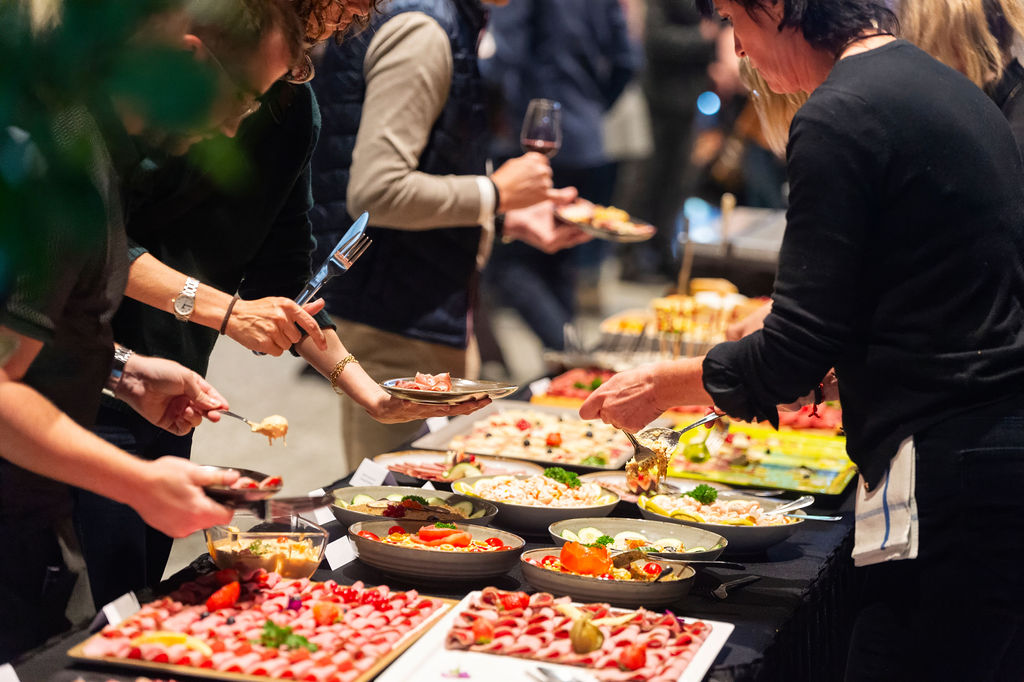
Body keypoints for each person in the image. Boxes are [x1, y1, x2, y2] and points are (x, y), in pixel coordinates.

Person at [580, 0, 1024, 678]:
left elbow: (794, 347)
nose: (740, 49)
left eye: (738, 20)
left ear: (782, 8)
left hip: (947, 474)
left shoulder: (839, 113)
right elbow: (915, 303)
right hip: (990, 458)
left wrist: (661, 386)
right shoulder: (943, 87)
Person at [76, 0, 493, 610]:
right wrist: (221, 310)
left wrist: (369, 392)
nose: (332, 28)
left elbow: (290, 277)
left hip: (167, 393)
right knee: (70, 616)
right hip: (74, 373)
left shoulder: (292, 111)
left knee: (129, 604)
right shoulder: (122, 88)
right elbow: (94, 243)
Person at [0, 0, 308, 659]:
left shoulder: (98, 147)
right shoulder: (56, 153)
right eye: (247, 99)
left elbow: (30, 327)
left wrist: (121, 370)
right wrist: (139, 484)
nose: (233, 128)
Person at [310, 0, 586, 469]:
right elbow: (376, 193)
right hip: (397, 317)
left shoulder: (448, 20)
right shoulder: (423, 30)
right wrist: (494, 192)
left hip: (421, 305)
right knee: (392, 512)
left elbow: (430, 164)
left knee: (427, 508)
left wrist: (503, 218)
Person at [479, 0, 635, 348]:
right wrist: (591, 108)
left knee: (506, 265)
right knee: (560, 264)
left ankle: (570, 354)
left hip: (529, 140)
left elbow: (505, 54)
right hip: (586, 142)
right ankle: (566, 373)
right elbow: (627, 60)